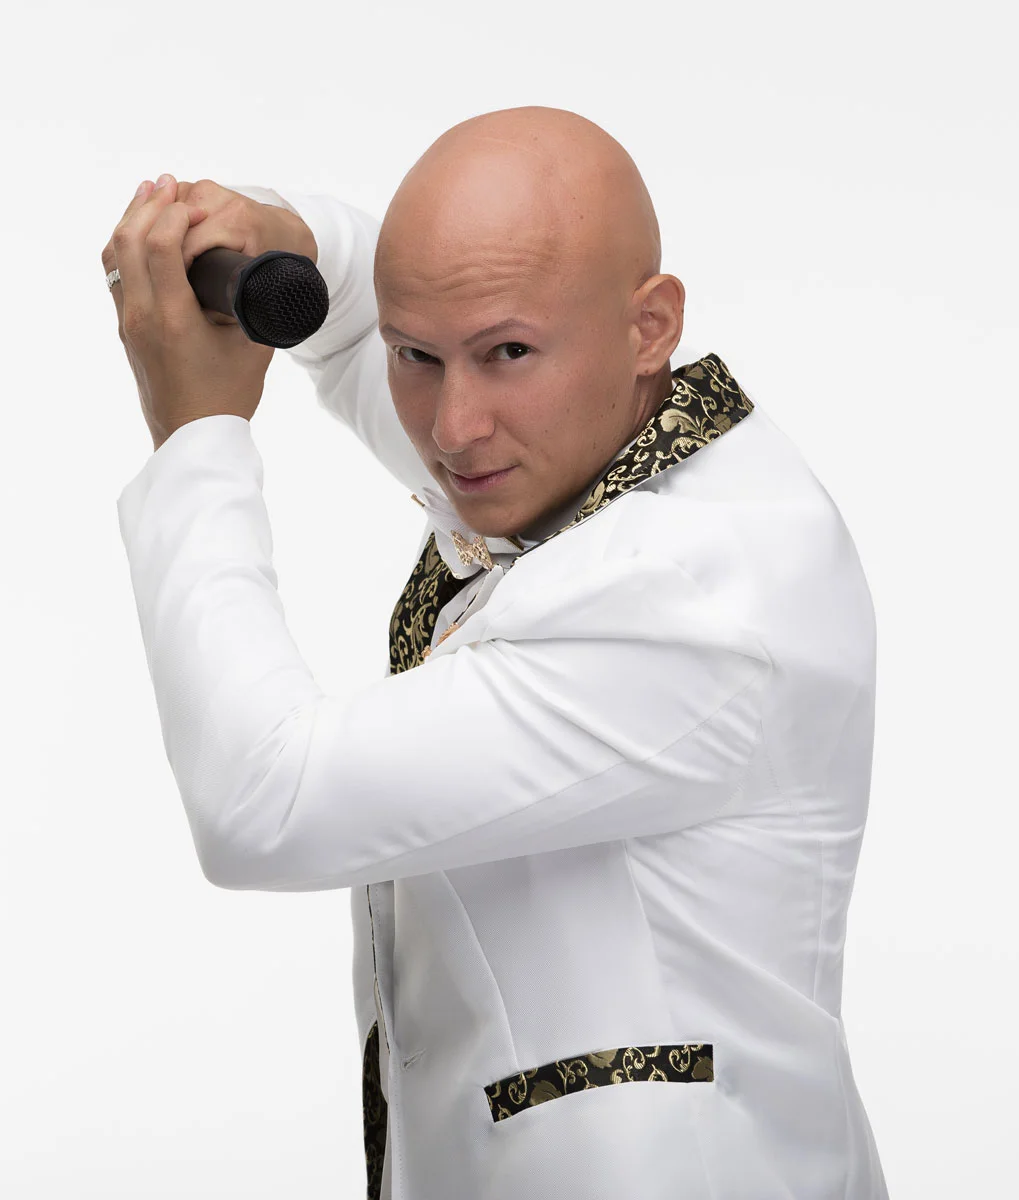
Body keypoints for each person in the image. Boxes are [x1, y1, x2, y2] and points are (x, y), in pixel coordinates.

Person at [106, 106, 889, 1199]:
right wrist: (289, 239)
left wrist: (198, 440)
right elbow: (380, 318)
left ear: (649, 326)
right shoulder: (595, 444)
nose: (452, 427)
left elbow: (263, 802)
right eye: (416, 358)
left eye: (506, 354)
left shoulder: (691, 600)